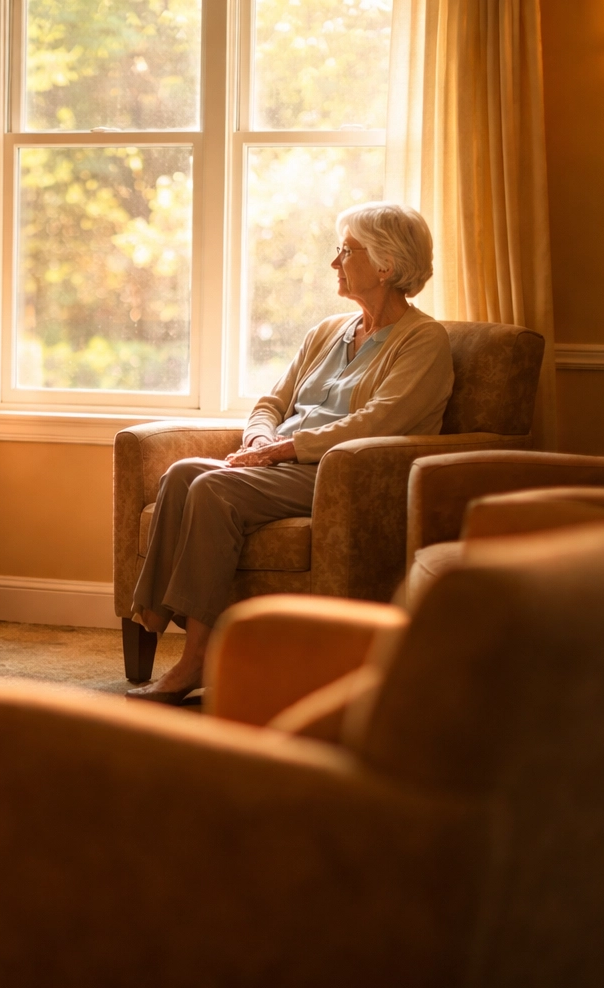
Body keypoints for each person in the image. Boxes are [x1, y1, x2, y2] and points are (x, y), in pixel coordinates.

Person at [126, 201, 453, 704]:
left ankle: (195, 663)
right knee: (182, 472)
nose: (334, 262)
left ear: (386, 265)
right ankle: (150, 622)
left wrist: (286, 449)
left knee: (213, 487)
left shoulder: (423, 340)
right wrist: (259, 438)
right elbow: (271, 402)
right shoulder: (327, 331)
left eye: (346, 251)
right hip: (284, 457)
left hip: (337, 471)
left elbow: (381, 420)